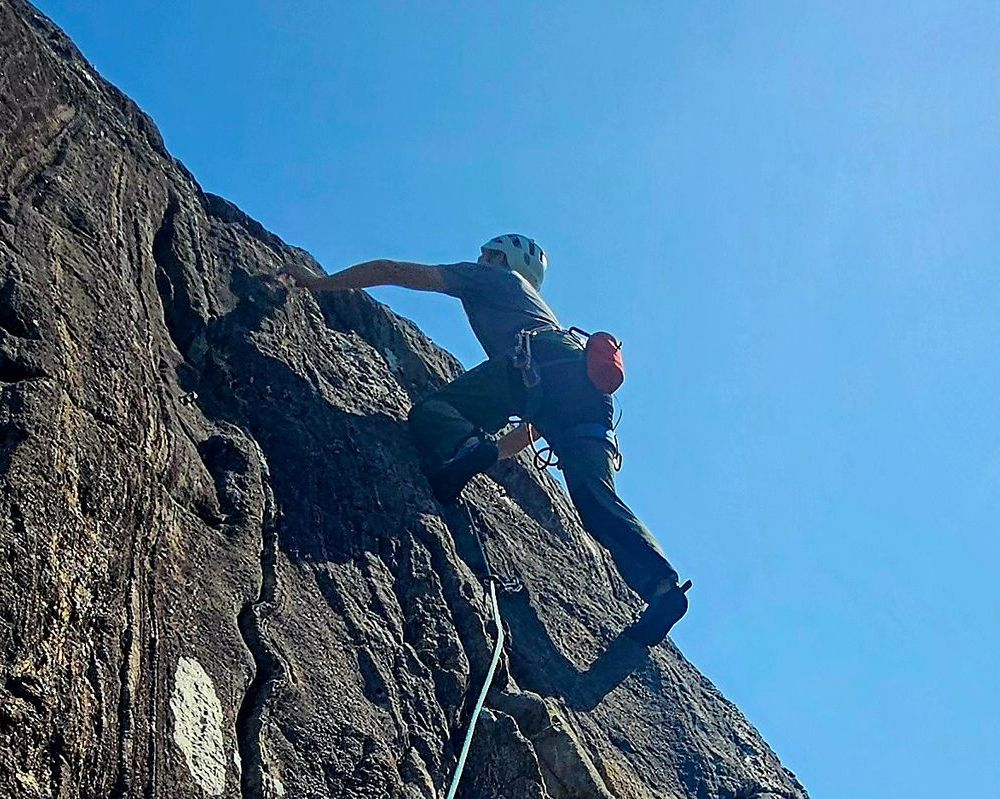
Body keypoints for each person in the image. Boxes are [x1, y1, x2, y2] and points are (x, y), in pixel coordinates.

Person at [279, 234, 690, 644]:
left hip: (528, 367)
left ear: (500, 258)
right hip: (583, 401)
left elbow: (394, 271)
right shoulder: (539, 309)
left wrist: (317, 282)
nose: (478, 258)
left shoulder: (493, 279)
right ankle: (662, 588)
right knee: (595, 501)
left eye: (485, 254)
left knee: (432, 412)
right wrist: (488, 456)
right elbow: (534, 425)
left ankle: (459, 443)